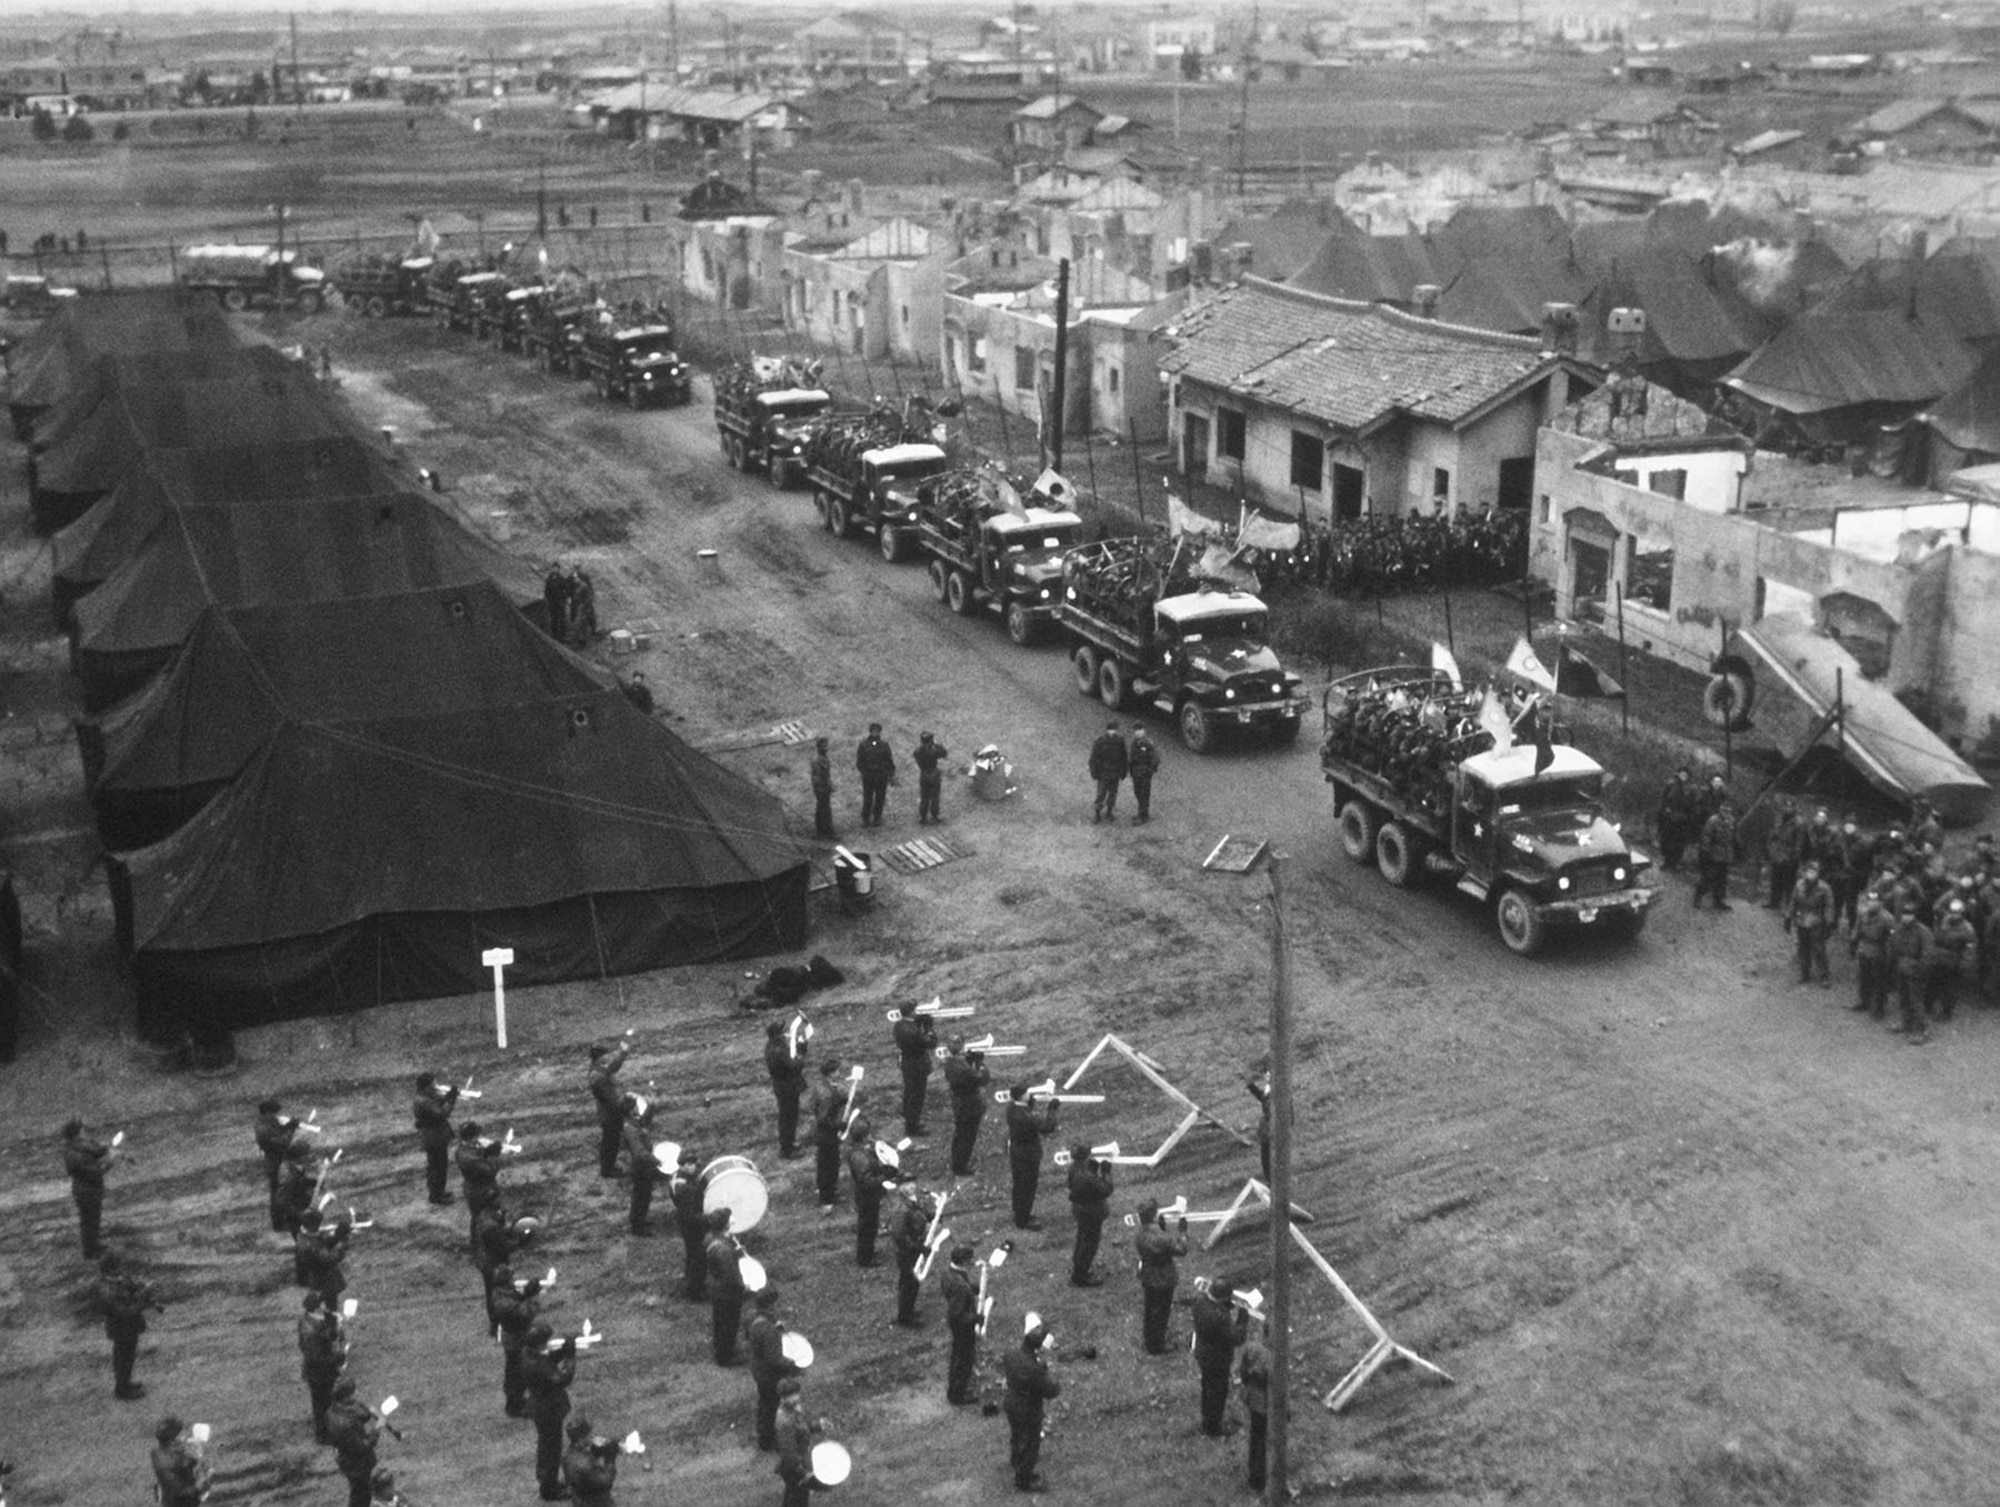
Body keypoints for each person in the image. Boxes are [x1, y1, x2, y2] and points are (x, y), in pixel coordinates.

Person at [1003, 1317, 1061, 1493]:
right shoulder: (1034, 1369)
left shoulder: (1011, 1352)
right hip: (1028, 1409)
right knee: (1030, 1444)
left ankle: (1015, 1460)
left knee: (1017, 1435)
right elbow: (1052, 1390)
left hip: (1012, 1403)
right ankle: (1024, 1479)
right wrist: (1044, 1370)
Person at [523, 1324, 577, 1501]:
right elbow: (562, 1379)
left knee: (546, 1447)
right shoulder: (538, 1366)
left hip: (541, 1408)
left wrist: (561, 1351)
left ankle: (547, 1481)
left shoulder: (528, 1354)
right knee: (552, 1451)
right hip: (548, 1410)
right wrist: (569, 1357)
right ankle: (549, 1490)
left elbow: (547, 1360)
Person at [95, 1249, 156, 1400]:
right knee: (122, 1359)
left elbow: (132, 1288)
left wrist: (142, 1288)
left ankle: (126, 1383)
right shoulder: (107, 1290)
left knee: (129, 1357)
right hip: (120, 1328)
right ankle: (122, 1389)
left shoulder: (117, 1281)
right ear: (110, 1269)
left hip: (129, 1327)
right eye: (117, 1268)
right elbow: (125, 1310)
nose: (120, 1271)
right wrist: (143, 1296)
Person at [745, 1286, 801, 1449]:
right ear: (770, 1305)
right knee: (772, 1404)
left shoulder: (751, 1317)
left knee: (764, 1403)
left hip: (758, 1369)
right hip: (769, 1375)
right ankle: (768, 1439)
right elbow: (775, 1360)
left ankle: (763, 1434)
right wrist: (792, 1363)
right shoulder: (768, 1331)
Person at [1192, 1279, 1249, 1436]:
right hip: (1217, 1359)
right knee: (1217, 1393)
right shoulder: (1219, 1319)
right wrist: (1243, 1317)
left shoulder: (1200, 1303)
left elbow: (1214, 1307)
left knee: (1207, 1388)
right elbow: (1237, 1338)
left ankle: (1206, 1421)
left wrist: (1225, 1306)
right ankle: (1213, 1428)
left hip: (1203, 1352)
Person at [1134, 1199, 1189, 1354]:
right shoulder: (1162, 1238)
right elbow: (1182, 1250)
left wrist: (1162, 1228)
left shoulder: (1140, 1234)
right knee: (1161, 1311)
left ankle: (1149, 1337)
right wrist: (1182, 1233)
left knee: (1150, 1307)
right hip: (1163, 1277)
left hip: (1148, 1274)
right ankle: (1157, 1345)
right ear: (1153, 1215)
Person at [491, 1266, 543, 1417]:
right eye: (511, 1278)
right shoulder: (502, 1301)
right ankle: (515, 1407)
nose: (513, 1280)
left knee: (517, 1373)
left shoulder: (503, 1294)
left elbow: (518, 1302)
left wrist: (528, 1291)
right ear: (506, 1280)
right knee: (516, 1374)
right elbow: (525, 1312)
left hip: (516, 1339)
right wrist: (533, 1297)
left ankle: (517, 1402)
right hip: (515, 1341)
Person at [1005, 1082, 1058, 1230]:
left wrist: (1030, 1104)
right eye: (1027, 1094)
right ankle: (1023, 1219)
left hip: (1017, 1150)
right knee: (1028, 1187)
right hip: (1028, 1153)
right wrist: (1052, 1110)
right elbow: (1048, 1127)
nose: (1029, 1095)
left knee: (1019, 1184)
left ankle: (1019, 1212)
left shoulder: (1011, 1108)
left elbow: (1026, 1110)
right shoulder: (1026, 1118)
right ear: (1022, 1097)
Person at [299, 1289, 348, 1440]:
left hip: (319, 1372)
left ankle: (327, 1430)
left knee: (323, 1402)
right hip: (320, 1374)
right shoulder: (311, 1332)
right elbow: (316, 1358)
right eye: (321, 1303)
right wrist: (339, 1357)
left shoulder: (309, 1319)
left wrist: (335, 1326)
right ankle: (323, 1435)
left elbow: (326, 1335)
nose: (324, 1304)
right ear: (316, 1307)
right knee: (322, 1404)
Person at [62, 1117, 114, 1258]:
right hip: (87, 1190)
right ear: (77, 1133)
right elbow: (91, 1172)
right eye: (82, 1130)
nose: (85, 1132)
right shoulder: (75, 1154)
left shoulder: (76, 1147)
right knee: (89, 1222)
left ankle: (93, 1246)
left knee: (93, 1220)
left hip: (88, 1189)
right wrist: (108, 1165)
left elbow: (95, 1150)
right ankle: (90, 1252)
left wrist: (106, 1147)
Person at [326, 1376, 381, 1507]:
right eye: (352, 1392)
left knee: (361, 1492)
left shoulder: (334, 1410)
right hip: (356, 1465)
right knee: (361, 1495)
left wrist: (369, 1411)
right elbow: (363, 1446)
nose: (356, 1394)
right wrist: (377, 1429)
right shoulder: (344, 1425)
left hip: (349, 1460)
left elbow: (358, 1416)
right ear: (345, 1396)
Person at [848, 1119, 895, 1267]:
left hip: (868, 1196)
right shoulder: (859, 1157)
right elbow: (867, 1182)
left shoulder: (860, 1151)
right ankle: (865, 1258)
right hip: (866, 1197)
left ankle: (868, 1252)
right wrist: (884, 1177)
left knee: (870, 1226)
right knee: (867, 1227)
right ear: (863, 1136)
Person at [705, 1208, 747, 1365]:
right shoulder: (723, 1250)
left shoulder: (712, 1238)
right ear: (724, 1225)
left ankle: (720, 1348)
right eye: (730, 1219)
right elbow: (731, 1277)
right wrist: (744, 1286)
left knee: (720, 1321)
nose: (733, 1221)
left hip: (717, 1288)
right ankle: (726, 1356)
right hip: (727, 1293)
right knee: (729, 1323)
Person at [1065, 1145, 1111, 1287]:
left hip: (1080, 1209)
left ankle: (1079, 1269)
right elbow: (1106, 1189)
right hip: (1092, 1212)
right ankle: (1081, 1274)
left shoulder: (1073, 1168)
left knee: (1082, 1239)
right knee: (1090, 1243)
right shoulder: (1087, 1177)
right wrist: (1106, 1173)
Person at [943, 1038, 989, 1176]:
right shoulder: (962, 1068)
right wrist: (980, 1063)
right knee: (967, 1136)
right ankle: (961, 1165)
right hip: (969, 1104)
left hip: (959, 1102)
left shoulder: (949, 1062)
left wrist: (969, 1061)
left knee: (960, 1134)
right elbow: (983, 1078)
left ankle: (957, 1161)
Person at [412, 1072, 460, 1205]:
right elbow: (442, 1113)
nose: (435, 1086)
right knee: (438, 1167)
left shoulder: (423, 1097)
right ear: (426, 1086)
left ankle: (438, 1192)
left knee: (437, 1166)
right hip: (434, 1137)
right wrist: (451, 1099)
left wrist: (447, 1097)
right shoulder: (424, 1101)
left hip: (433, 1136)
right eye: (432, 1084)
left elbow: (437, 1104)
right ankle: (436, 1195)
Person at [1785, 861, 1835, 987]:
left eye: (1814, 872)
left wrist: (1829, 921)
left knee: (1819, 949)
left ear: (1818, 874)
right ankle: (1804, 973)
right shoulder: (1799, 884)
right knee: (1803, 948)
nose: (1811, 874)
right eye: (1809, 871)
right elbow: (1793, 901)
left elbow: (1829, 906)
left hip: (1817, 921)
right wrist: (1788, 916)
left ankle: (1824, 975)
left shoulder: (1825, 888)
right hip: (1802, 920)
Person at [669, 1148, 711, 1300]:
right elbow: (690, 1215)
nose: (693, 1167)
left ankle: (690, 1280)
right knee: (699, 1257)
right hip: (692, 1224)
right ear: (683, 1165)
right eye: (689, 1164)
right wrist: (709, 1218)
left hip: (685, 1220)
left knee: (692, 1254)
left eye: (694, 1163)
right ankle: (695, 1291)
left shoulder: (676, 1177)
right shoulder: (684, 1188)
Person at [941, 1242, 980, 1403]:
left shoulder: (948, 1272)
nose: (972, 1262)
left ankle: (955, 1389)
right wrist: (976, 1319)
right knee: (964, 1360)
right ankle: (957, 1395)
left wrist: (972, 1288)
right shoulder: (961, 1287)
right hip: (963, 1328)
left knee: (958, 1356)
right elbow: (957, 1315)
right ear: (963, 1261)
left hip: (958, 1327)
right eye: (970, 1259)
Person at [455, 1121, 503, 1250]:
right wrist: (493, 1155)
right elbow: (490, 1171)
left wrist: (486, 1151)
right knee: (483, 1217)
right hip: (480, 1190)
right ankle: (482, 1246)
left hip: (475, 1188)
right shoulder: (469, 1157)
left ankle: (478, 1244)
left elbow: (478, 1156)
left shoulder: (464, 1149)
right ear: (473, 1136)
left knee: (478, 1217)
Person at [892, 1002, 937, 1137]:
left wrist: (918, 1022)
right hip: (917, 1066)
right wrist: (929, 1027)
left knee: (909, 1092)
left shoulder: (899, 1025)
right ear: (911, 1012)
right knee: (917, 1096)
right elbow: (931, 1042)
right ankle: (913, 1126)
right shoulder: (912, 1031)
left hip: (907, 1063)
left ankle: (909, 1119)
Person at [809, 1059, 848, 1213]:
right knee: (829, 1166)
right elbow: (824, 1119)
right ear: (831, 1073)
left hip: (823, 1134)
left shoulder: (822, 1086)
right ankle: (827, 1199)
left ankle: (827, 1191)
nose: (839, 1073)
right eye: (837, 1071)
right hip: (827, 1135)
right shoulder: (826, 1095)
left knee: (826, 1164)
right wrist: (839, 1125)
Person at [765, 1020, 808, 1158]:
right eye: (783, 1032)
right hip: (787, 1089)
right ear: (777, 1035)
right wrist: (801, 1052)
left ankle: (789, 1143)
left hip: (784, 1088)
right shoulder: (778, 1051)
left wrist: (799, 1047)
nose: (786, 1034)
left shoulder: (773, 1046)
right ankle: (787, 1150)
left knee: (788, 1118)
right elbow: (795, 1065)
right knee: (788, 1118)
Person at [587, 1040, 630, 1179]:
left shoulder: (598, 1067)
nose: (608, 1057)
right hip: (609, 1114)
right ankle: (608, 1169)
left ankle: (607, 1165)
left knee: (610, 1140)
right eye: (605, 1054)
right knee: (611, 1142)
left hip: (609, 1111)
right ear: (599, 1056)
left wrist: (622, 1054)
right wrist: (623, 1106)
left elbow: (611, 1068)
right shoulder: (597, 1077)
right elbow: (609, 1099)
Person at [1890, 905, 1934, 1042]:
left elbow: (1928, 955)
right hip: (1901, 968)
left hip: (1915, 971)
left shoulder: (1923, 932)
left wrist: (1919, 970)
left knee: (1917, 1002)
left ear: (1915, 916)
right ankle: (1906, 1022)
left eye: (1909, 914)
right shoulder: (1899, 929)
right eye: (1904, 914)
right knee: (1903, 998)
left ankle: (1922, 1031)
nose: (1906, 917)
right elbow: (1893, 947)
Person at [621, 1095, 663, 1236]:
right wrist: (656, 1161)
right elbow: (639, 1153)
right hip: (640, 1167)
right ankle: (637, 1226)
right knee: (640, 1196)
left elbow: (645, 1121)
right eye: (636, 1105)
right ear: (632, 1108)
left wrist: (651, 1106)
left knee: (645, 1194)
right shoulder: (629, 1128)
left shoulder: (632, 1122)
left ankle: (641, 1220)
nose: (639, 1107)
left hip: (644, 1165)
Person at [773, 1379, 819, 1507]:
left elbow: (801, 1428)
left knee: (793, 1494)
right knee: (800, 1499)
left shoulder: (794, 1409)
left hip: (797, 1463)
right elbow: (788, 1453)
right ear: (782, 1397)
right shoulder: (784, 1422)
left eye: (796, 1393)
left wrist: (817, 1426)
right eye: (790, 1396)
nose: (795, 1398)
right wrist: (803, 1473)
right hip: (794, 1467)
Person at [255, 1098, 300, 1223]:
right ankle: (278, 1221)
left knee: (280, 1192)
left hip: (276, 1159)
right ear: (267, 1112)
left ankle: (282, 1219)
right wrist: (291, 1128)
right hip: (274, 1162)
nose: (276, 1116)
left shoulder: (266, 1122)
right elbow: (283, 1143)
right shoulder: (263, 1129)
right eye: (274, 1113)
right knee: (277, 1194)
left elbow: (279, 1132)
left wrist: (289, 1125)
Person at [891, 1184, 931, 1327]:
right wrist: (917, 1247)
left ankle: (909, 1310)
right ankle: (906, 1317)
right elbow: (899, 1234)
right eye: (909, 1186)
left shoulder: (912, 1204)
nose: (913, 1189)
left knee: (912, 1283)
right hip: (907, 1253)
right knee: (908, 1283)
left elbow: (921, 1215)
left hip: (912, 1249)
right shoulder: (902, 1210)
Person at [1932, 899, 1978, 1022]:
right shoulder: (1944, 921)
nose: (1954, 915)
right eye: (1953, 912)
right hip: (1940, 958)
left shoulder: (1967, 928)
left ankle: (1946, 1012)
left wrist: (1965, 963)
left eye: (1957, 912)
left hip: (1954, 960)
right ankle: (1931, 1005)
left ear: (1962, 913)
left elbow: (1970, 947)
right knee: (1936, 984)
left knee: (1950, 988)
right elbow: (1937, 937)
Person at [1851, 892, 1893, 1016]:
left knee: (1879, 981)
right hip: (1864, 949)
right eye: (1869, 901)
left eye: (1875, 902)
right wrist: (1853, 942)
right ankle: (1864, 1001)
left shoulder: (1887, 918)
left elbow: (1893, 938)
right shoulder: (1863, 914)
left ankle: (1879, 1008)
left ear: (1880, 903)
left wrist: (1889, 955)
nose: (1872, 904)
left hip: (1879, 951)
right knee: (1864, 978)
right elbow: (1857, 929)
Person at [1239, 1329, 1272, 1490]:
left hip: (1253, 1399)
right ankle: (1260, 1478)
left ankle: (1253, 1473)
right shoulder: (1273, 1357)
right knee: (1263, 1442)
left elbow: (1243, 1371)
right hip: (1266, 1403)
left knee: (1255, 1437)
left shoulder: (1252, 1348)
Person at [562, 1415, 618, 1507]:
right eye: (588, 1435)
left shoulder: (567, 1455)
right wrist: (610, 1459)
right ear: (581, 1438)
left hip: (579, 1500)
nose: (591, 1437)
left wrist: (597, 1452)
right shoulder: (585, 1465)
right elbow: (606, 1481)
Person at [150, 1415, 207, 1507]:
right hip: (183, 1499)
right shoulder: (176, 1458)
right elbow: (189, 1465)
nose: (185, 1437)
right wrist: (198, 1456)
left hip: (170, 1499)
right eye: (181, 1434)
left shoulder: (158, 1454)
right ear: (173, 1439)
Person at [1692, 799, 1737, 911]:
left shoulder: (1732, 820)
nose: (1726, 813)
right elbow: (1706, 836)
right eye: (1724, 810)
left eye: (1728, 810)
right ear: (1720, 810)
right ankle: (1697, 897)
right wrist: (1706, 852)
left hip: (1726, 854)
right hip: (1714, 853)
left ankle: (1719, 901)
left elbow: (1733, 837)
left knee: (1722, 880)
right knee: (1708, 877)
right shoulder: (1713, 820)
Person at [1764, 798, 1803, 908]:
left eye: (1790, 807)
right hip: (1776, 854)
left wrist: (1794, 857)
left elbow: (1799, 843)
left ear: (1794, 808)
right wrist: (1769, 849)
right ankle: (1774, 902)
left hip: (1789, 856)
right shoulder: (1778, 819)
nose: (1787, 809)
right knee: (1775, 880)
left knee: (1789, 883)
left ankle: (1789, 905)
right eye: (1786, 806)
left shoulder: (1798, 823)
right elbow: (1772, 836)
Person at [274, 1138, 317, 1237]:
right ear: (300, 1156)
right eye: (307, 1154)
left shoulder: (293, 1167)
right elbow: (282, 1201)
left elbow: (299, 1182)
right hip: (295, 1214)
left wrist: (312, 1182)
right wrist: (301, 1214)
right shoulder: (289, 1176)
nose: (310, 1157)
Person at [856, 723, 896, 828]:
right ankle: (865, 818)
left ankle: (877, 818)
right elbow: (860, 762)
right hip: (868, 776)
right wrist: (864, 772)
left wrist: (890, 774)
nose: (875, 733)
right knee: (867, 797)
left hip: (881, 776)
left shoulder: (884, 745)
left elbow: (889, 761)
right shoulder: (863, 745)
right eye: (873, 731)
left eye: (877, 731)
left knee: (880, 798)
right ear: (870, 731)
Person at [1088, 720, 1128, 824]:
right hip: (1103, 773)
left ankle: (1109, 812)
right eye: (1110, 730)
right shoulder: (1100, 742)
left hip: (1115, 773)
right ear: (1107, 730)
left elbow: (1124, 757)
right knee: (1101, 793)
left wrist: (1123, 771)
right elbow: (1094, 758)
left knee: (1113, 793)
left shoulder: (1120, 742)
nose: (1112, 732)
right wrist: (1094, 772)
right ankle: (1097, 813)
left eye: (1114, 730)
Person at [1126, 723, 1160, 823]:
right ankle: (1141, 814)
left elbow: (1156, 758)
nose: (1138, 732)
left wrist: (1149, 771)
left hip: (1144, 773)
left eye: (1140, 730)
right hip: (1136, 773)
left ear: (1144, 731)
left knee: (1144, 794)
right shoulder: (1135, 743)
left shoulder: (1148, 743)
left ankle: (1143, 816)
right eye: (1136, 730)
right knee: (1138, 793)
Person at [913, 731, 948, 825]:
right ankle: (934, 815)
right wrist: (937, 745)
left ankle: (923, 816)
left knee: (924, 796)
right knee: (935, 796)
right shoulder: (933, 751)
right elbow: (944, 753)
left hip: (924, 773)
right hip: (933, 773)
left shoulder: (918, 751)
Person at [1247, 1075, 1273, 1182]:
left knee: (1267, 1152)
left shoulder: (1274, 1090)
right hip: (1267, 1126)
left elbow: (1266, 1102)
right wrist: (1251, 1086)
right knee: (1266, 1152)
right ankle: (1269, 1176)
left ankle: (1270, 1178)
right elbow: (1263, 1098)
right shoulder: (1270, 1088)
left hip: (1270, 1125)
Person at [809, 736, 836, 839]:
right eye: (824, 746)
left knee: (822, 809)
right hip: (821, 789)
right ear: (819, 747)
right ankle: (827, 831)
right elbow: (819, 777)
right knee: (824, 810)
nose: (826, 748)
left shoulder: (822, 758)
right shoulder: (818, 760)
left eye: (826, 746)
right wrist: (827, 786)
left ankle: (822, 831)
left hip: (823, 787)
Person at [543, 563, 572, 643]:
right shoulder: (549, 579)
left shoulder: (561, 579)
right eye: (554, 568)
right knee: (553, 619)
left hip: (560, 602)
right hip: (552, 603)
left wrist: (564, 598)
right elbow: (547, 591)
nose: (555, 570)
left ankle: (562, 637)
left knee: (561, 619)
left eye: (556, 568)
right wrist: (547, 599)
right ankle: (554, 635)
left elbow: (567, 589)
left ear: (559, 569)